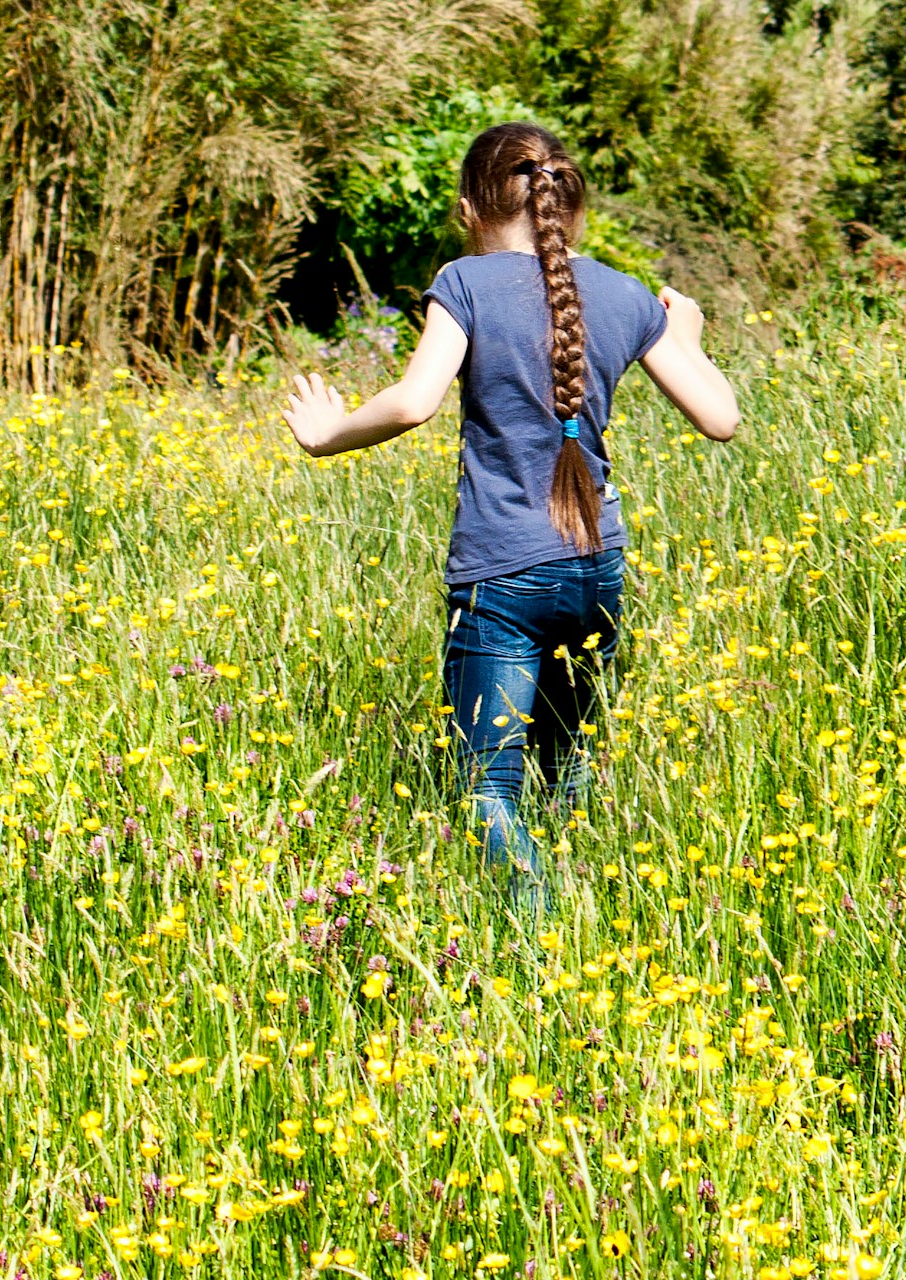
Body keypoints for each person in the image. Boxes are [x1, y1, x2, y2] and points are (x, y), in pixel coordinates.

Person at [280, 122, 739, 916]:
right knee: (567, 766)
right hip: (597, 566)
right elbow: (721, 418)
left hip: (504, 570)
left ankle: (539, 930)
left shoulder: (464, 282)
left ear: (469, 208)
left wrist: (327, 435)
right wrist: (688, 339)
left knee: (486, 787)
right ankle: (589, 924)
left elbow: (414, 402)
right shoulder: (627, 293)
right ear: (572, 208)